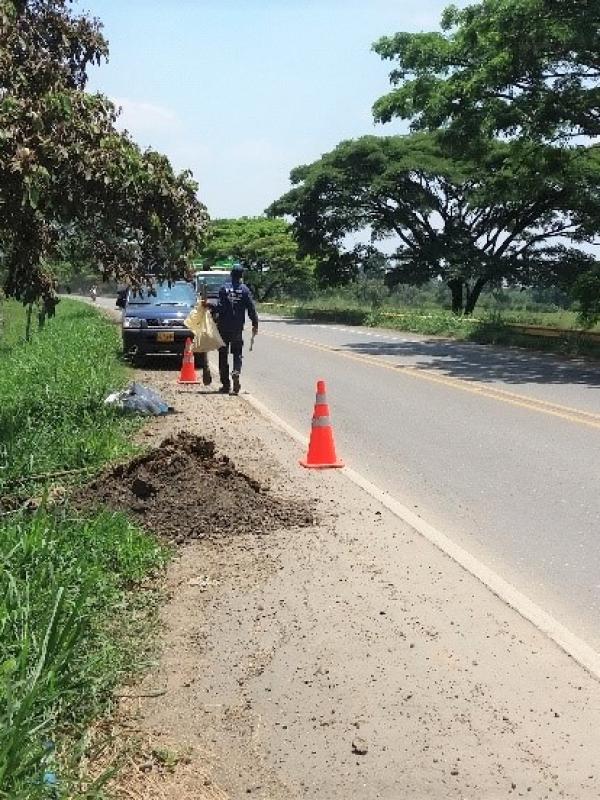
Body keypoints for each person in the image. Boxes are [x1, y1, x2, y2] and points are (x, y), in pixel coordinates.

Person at [214, 264, 258, 395]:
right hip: (237, 328)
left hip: (223, 327)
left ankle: (226, 385)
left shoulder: (223, 289)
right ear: (241, 276)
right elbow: (251, 308)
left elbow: (220, 307)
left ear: (231, 274)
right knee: (237, 353)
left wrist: (209, 306)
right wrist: (255, 323)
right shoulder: (244, 290)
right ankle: (236, 372)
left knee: (223, 355)